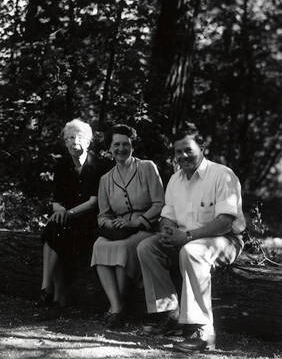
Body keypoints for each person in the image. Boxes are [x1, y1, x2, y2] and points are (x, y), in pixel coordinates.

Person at [137, 123, 246, 353]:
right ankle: (170, 315)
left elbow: (225, 222)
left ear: (202, 147)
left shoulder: (222, 175)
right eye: (178, 152)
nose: (183, 156)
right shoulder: (175, 180)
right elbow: (167, 216)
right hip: (185, 238)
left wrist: (186, 236)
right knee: (147, 247)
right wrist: (168, 231)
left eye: (188, 149)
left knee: (192, 251)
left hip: (224, 240)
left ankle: (203, 332)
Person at [90, 124, 164, 329]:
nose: (121, 149)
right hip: (118, 229)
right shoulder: (105, 179)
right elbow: (102, 215)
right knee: (99, 245)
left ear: (132, 146)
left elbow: (159, 204)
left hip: (145, 227)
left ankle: (118, 308)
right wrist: (110, 224)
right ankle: (116, 306)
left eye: (125, 144)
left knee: (123, 248)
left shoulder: (147, 167)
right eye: (116, 144)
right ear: (109, 148)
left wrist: (136, 222)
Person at [38, 119, 108, 318]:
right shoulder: (62, 166)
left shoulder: (98, 166)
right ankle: (46, 289)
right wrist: (59, 210)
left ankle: (56, 296)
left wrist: (68, 213)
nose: (72, 142)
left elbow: (94, 202)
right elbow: (57, 200)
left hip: (88, 219)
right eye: (68, 138)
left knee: (60, 234)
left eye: (77, 137)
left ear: (87, 142)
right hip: (67, 218)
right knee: (53, 228)